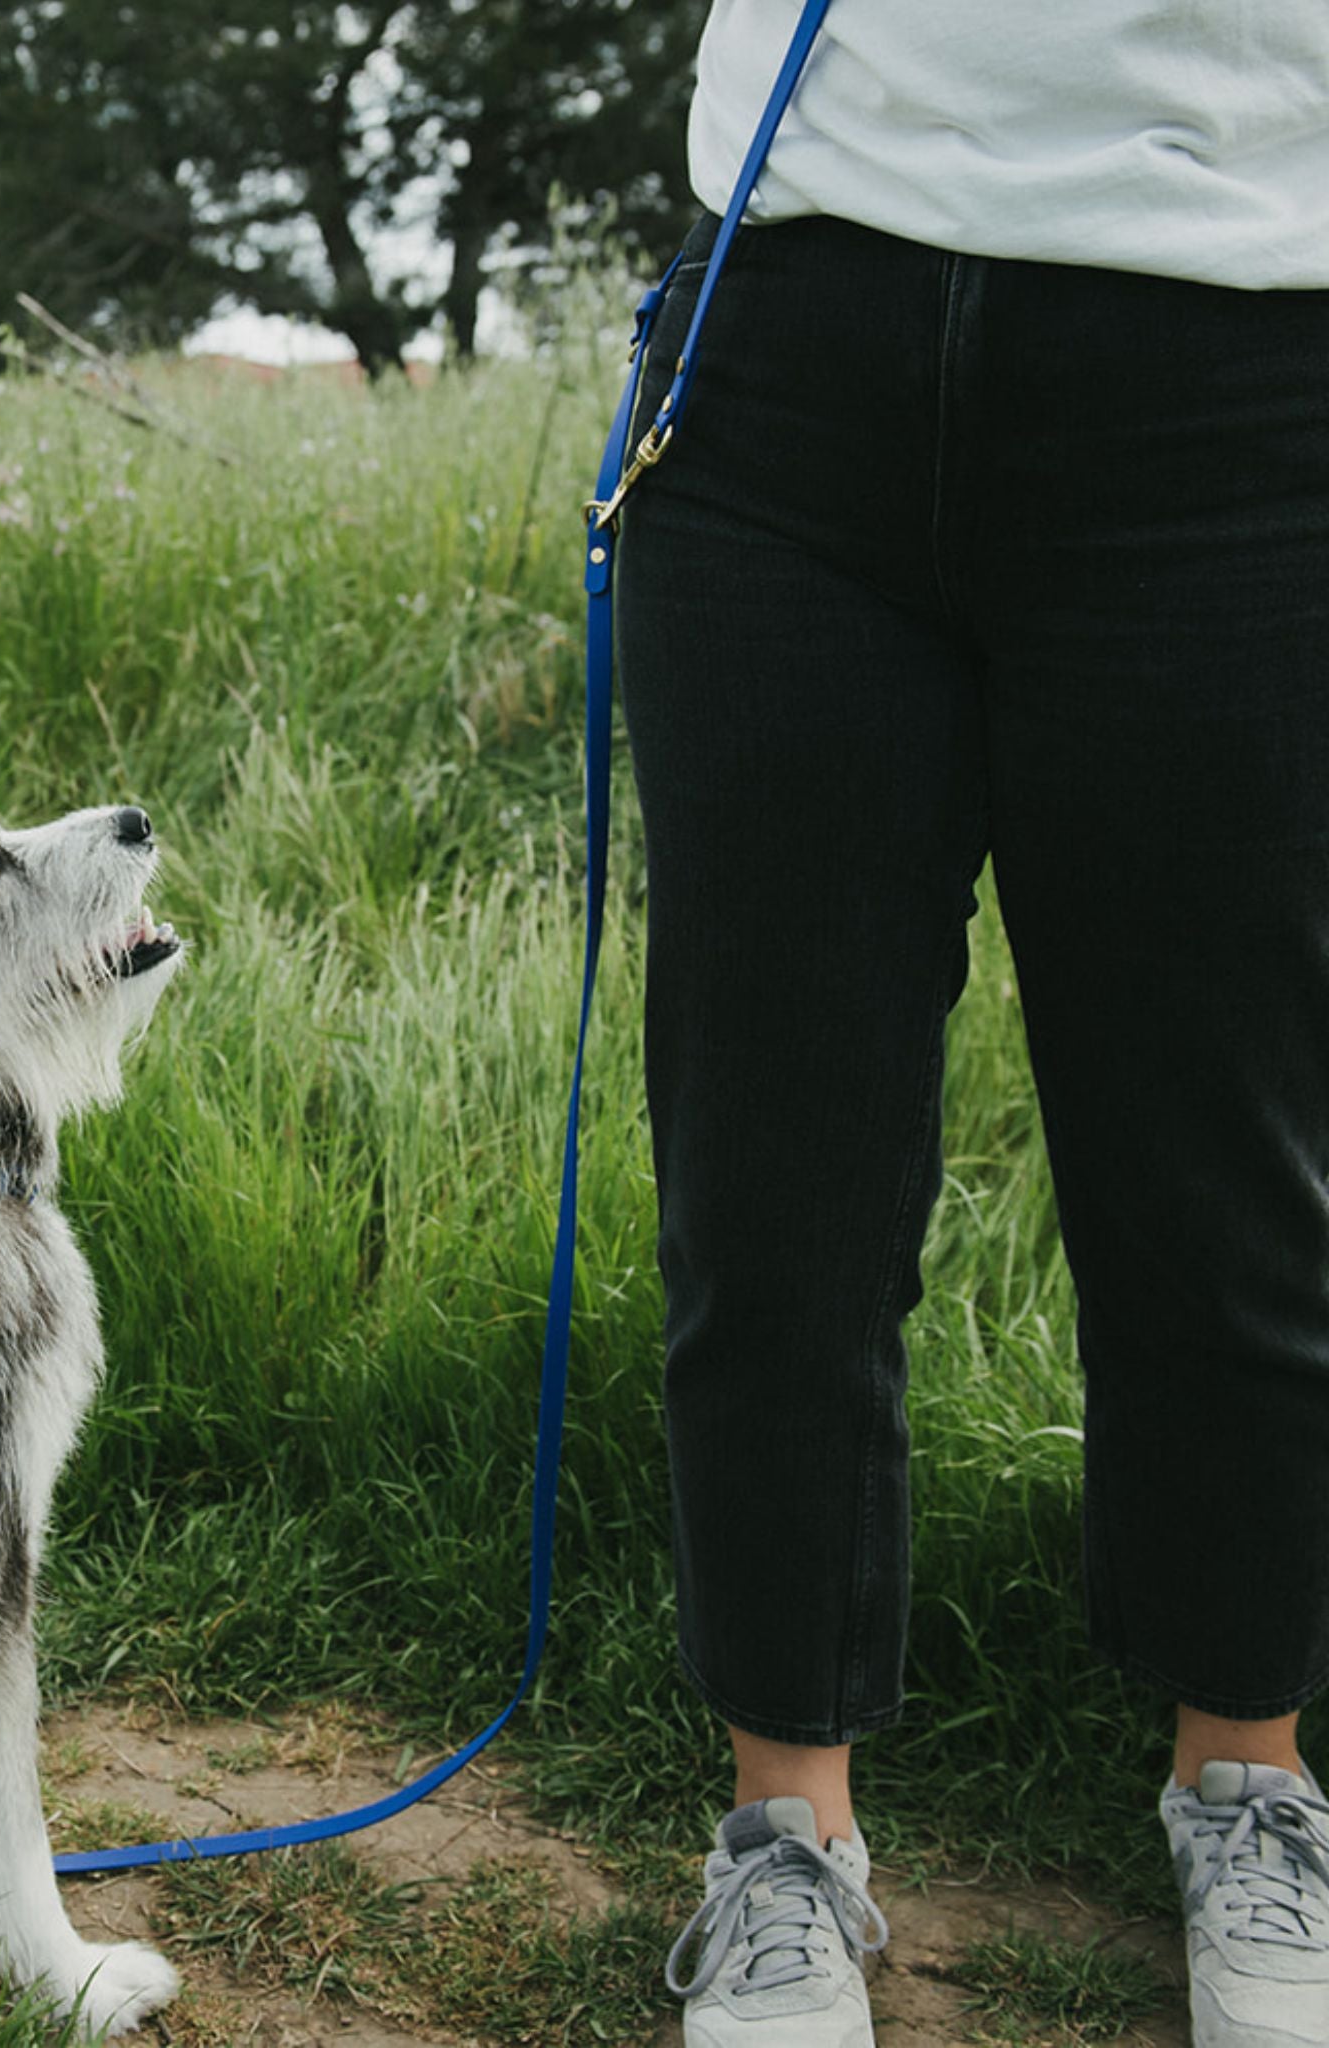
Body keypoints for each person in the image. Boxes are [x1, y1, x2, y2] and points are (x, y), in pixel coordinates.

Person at [611, 5, 1329, 2043]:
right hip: (797, 323)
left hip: (1238, 340)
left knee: (1218, 1155)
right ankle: (783, 1831)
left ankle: (1244, 1775)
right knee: (774, 1167)